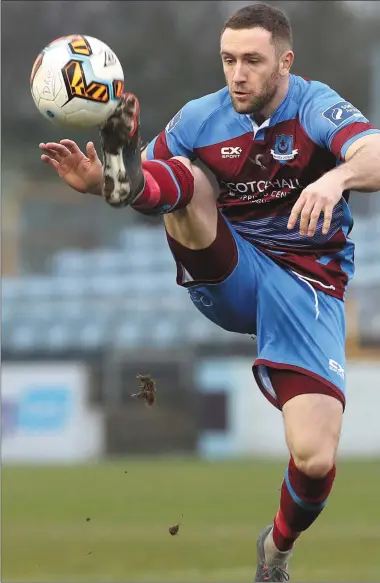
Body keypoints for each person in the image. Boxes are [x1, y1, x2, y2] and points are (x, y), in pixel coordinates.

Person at [39, 3, 380, 581]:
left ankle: (276, 549)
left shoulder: (316, 105)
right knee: (189, 180)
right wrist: (107, 183)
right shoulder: (201, 118)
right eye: (228, 60)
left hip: (307, 285)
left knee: (315, 458)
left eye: (252, 60)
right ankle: (123, 165)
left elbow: (373, 152)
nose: (238, 73)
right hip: (232, 271)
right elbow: (154, 183)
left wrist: (334, 175)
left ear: (285, 62)